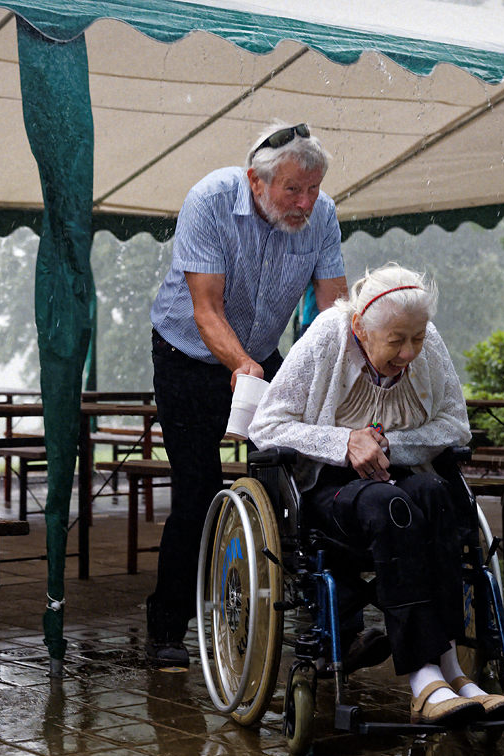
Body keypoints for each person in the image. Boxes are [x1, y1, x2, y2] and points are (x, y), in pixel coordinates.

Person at [248, 264, 504, 725]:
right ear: (360, 327)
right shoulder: (327, 337)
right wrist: (344, 442)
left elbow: (455, 424)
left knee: (435, 495)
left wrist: (391, 444)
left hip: (399, 471)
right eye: (396, 340)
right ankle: (422, 676)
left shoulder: (424, 343)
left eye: (417, 337)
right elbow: (266, 426)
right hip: (327, 487)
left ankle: (453, 669)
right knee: (389, 506)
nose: (409, 351)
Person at [145, 122, 348, 668]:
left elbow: (333, 311)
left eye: (313, 189)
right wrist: (240, 364)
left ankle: (320, 609)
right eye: (293, 190)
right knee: (198, 492)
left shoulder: (322, 215)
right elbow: (206, 309)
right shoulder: (210, 200)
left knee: (308, 470)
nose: (306, 202)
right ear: (257, 182)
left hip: (260, 353)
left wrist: (323, 380)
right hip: (188, 355)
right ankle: (167, 628)